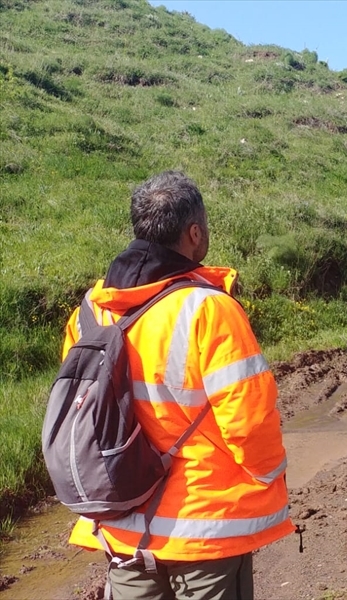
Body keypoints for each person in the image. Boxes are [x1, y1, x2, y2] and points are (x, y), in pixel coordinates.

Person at [60, 171, 292, 599]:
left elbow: (82, 411)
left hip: (119, 522)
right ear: (195, 233)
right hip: (204, 528)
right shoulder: (209, 310)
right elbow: (249, 421)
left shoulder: (90, 313)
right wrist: (270, 475)